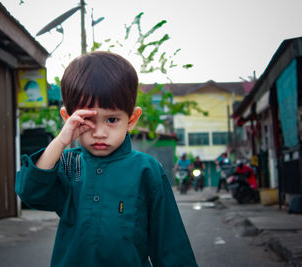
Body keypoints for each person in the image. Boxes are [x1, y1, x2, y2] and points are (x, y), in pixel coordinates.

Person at [15, 51, 197, 267]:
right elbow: (30, 192)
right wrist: (61, 140)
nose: (99, 132)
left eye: (111, 119)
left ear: (131, 119)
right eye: (87, 120)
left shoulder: (146, 170)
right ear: (68, 118)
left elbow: (170, 244)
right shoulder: (69, 165)